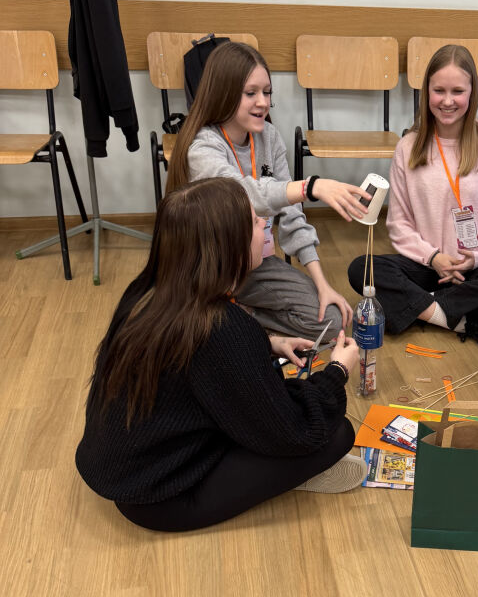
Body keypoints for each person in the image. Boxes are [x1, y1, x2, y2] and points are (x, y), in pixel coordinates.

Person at [76, 178, 366, 532]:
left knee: (275, 404)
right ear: (230, 245)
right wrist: (337, 372)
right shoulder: (221, 327)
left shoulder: (147, 292)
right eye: (255, 222)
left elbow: (191, 366)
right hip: (164, 499)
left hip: (130, 471)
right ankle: (287, 478)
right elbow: (295, 431)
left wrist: (267, 344)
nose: (264, 223)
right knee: (336, 433)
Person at [166, 41, 367, 339]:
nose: (262, 102)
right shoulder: (203, 146)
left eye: (267, 92)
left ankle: (241, 316)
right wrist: (310, 186)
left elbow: (291, 215)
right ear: (223, 93)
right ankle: (234, 320)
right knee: (203, 332)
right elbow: (239, 193)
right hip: (209, 269)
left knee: (331, 322)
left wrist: (322, 284)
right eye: (251, 93)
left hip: (255, 262)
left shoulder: (269, 137)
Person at [348, 44, 478, 343]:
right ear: (426, 92)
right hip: (423, 264)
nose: (447, 101)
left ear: (472, 93)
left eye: (457, 91)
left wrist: (475, 257)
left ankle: (417, 308)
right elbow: (399, 223)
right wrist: (433, 258)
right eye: (439, 91)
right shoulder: (408, 147)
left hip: (470, 268)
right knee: (361, 269)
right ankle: (462, 322)